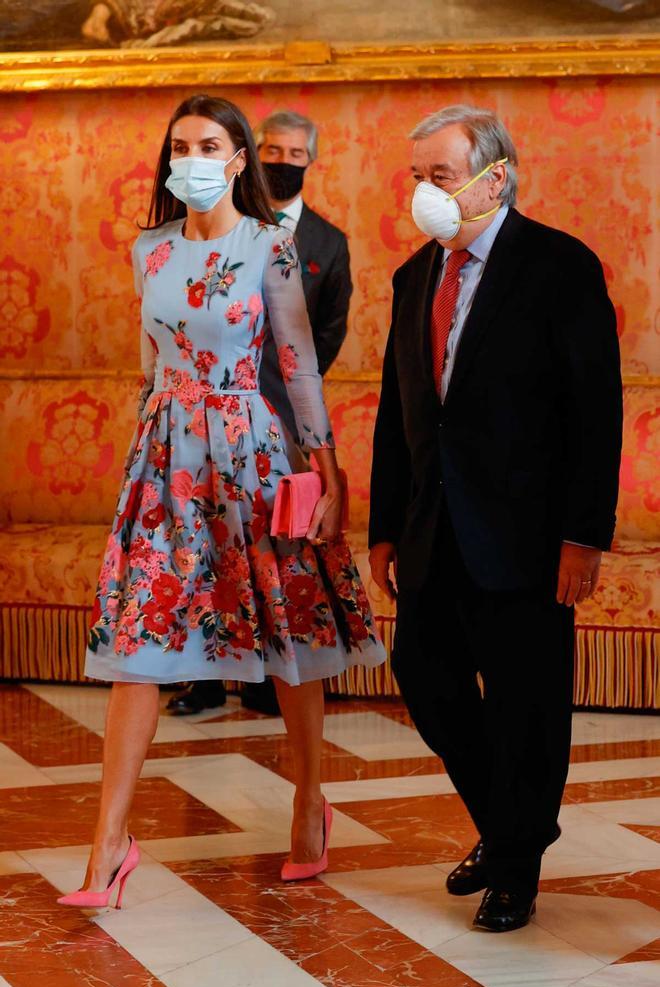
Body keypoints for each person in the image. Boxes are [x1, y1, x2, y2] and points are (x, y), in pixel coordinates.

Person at [58, 93, 385, 909]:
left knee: (291, 632)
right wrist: (153, 443)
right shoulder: (150, 249)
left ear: (240, 158)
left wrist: (330, 472)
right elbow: (149, 359)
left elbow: (300, 365)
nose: (192, 158)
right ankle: (109, 848)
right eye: (181, 144)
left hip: (254, 451)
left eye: (209, 143)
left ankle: (310, 802)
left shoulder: (271, 244)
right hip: (166, 459)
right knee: (138, 637)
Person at [369, 105, 622, 933]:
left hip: (529, 537)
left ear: (494, 177)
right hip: (433, 529)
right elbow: (398, 413)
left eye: (439, 177)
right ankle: (513, 829)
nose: (424, 194)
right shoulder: (415, 277)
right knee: (427, 681)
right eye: (418, 177)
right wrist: (383, 525)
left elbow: (595, 413)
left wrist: (583, 536)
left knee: (527, 705)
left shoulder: (558, 267)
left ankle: (514, 869)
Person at [169, 108, 353, 718]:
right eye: (273, 149)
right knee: (197, 564)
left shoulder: (318, 242)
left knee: (272, 566)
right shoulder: (158, 248)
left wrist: (307, 437)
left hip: (271, 423)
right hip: (185, 432)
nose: (283, 162)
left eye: (295, 155)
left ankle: (265, 683)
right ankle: (202, 677)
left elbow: (316, 343)